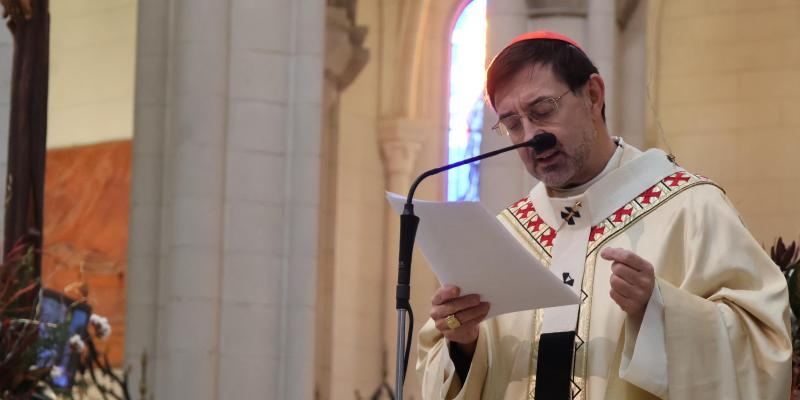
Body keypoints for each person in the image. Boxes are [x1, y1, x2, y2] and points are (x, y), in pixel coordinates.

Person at [416, 30, 791, 399]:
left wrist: (658, 310)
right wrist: (464, 344)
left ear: (593, 95)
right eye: (513, 124)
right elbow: (442, 370)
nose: (531, 137)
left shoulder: (691, 208)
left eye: (543, 111)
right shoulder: (505, 236)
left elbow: (763, 349)